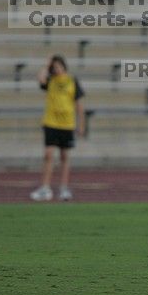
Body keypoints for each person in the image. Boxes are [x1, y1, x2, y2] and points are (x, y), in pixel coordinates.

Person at [30, 55, 85, 201]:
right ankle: (45, 188)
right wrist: (46, 64)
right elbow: (40, 78)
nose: (56, 69)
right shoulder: (50, 81)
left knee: (64, 157)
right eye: (54, 67)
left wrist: (81, 124)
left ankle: (64, 188)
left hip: (66, 124)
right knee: (48, 155)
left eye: (58, 66)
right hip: (51, 122)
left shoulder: (72, 81)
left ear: (64, 66)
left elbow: (79, 104)